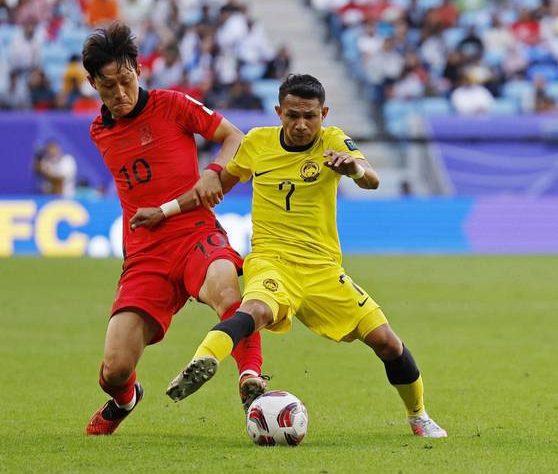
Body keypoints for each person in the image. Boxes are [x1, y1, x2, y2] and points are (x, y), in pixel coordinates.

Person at [133, 74, 447, 438]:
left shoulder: (333, 141)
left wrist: (353, 168)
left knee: (388, 342)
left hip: (322, 270)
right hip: (271, 261)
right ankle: (204, 358)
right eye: (293, 115)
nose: (301, 124)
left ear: (324, 113)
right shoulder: (256, 143)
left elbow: (372, 180)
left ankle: (418, 415)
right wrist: (165, 210)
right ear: (278, 111)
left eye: (310, 116)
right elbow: (215, 188)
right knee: (255, 311)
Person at [81, 22, 265, 436]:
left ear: (138, 70)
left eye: (126, 80)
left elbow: (236, 137)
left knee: (227, 290)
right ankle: (126, 399)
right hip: (145, 254)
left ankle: (250, 378)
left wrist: (215, 172)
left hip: (195, 233)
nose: (120, 94)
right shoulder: (99, 132)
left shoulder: (172, 105)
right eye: (108, 87)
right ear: (92, 83)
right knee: (114, 369)